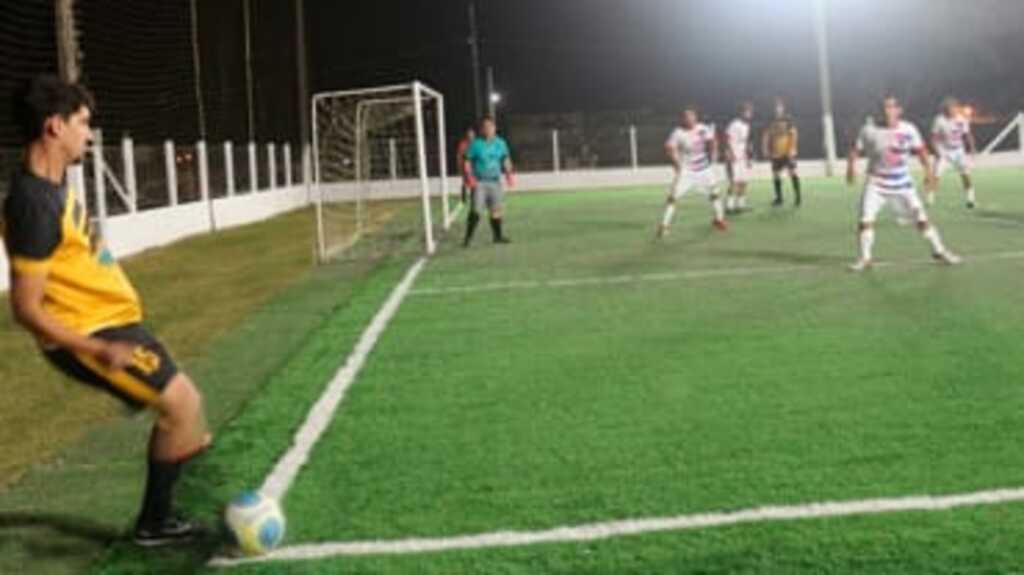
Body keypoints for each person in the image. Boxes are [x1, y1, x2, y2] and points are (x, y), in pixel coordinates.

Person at [4, 75, 211, 546]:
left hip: (117, 325)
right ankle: (155, 525)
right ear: (54, 126)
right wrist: (97, 348)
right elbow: (26, 309)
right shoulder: (33, 203)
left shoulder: (52, 185)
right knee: (184, 408)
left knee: (191, 425)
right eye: (82, 123)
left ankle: (166, 489)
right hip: (94, 333)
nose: (89, 134)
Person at [846, 95, 961, 272]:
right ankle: (865, 258)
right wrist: (851, 168)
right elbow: (855, 149)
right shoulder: (869, 130)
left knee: (922, 221)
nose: (888, 111)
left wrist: (929, 173)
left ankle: (939, 251)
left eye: (892, 107)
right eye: (885, 107)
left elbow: (921, 150)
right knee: (865, 221)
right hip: (876, 183)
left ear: (899, 110)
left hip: (903, 184)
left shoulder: (909, 129)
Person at [656, 105, 727, 238]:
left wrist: (714, 153)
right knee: (673, 197)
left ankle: (719, 219)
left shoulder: (703, 128)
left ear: (696, 117)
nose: (688, 118)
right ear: (683, 119)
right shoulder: (678, 132)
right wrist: (676, 163)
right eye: (686, 116)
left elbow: (712, 141)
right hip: (687, 171)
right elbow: (669, 147)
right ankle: (664, 225)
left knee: (715, 193)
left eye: (691, 116)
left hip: (704, 169)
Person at [463, 116, 514, 246]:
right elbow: (467, 161)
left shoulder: (501, 143)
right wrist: (469, 177)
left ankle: (497, 237)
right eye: (485, 127)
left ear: (494, 128)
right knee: (476, 211)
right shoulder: (475, 144)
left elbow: (505, 159)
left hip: (495, 181)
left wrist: (509, 174)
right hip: (479, 182)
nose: (488, 129)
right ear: (481, 130)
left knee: (496, 210)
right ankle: (468, 238)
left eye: (490, 127)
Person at [927, 97, 978, 208]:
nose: (953, 110)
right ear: (945, 109)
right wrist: (937, 151)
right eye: (950, 108)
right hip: (944, 150)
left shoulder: (961, 119)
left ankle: (970, 198)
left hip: (959, 150)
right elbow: (933, 137)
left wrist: (972, 148)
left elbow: (967, 134)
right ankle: (930, 198)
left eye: (954, 108)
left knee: (965, 174)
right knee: (936, 174)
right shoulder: (939, 120)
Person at [762, 98, 802, 207]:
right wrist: (765, 148)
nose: (778, 109)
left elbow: (794, 133)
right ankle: (779, 198)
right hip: (776, 153)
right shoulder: (770, 120)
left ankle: (798, 197)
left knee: (793, 172)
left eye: (779, 107)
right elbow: (766, 135)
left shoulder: (788, 119)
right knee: (776, 175)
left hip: (788, 152)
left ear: (783, 108)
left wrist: (792, 149)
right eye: (776, 107)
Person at [724, 102, 755, 214]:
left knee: (744, 181)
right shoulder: (734, 124)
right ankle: (729, 206)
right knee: (734, 181)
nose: (749, 114)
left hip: (743, 158)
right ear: (742, 112)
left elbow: (746, 142)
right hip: (734, 158)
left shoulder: (747, 126)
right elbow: (727, 139)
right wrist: (731, 154)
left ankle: (740, 205)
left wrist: (748, 156)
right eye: (747, 111)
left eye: (750, 112)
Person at [455, 126, 475, 205]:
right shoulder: (463, 144)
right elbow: (459, 155)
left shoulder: (476, 143)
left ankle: (473, 197)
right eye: (469, 134)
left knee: (474, 182)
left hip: (474, 166)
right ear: (466, 135)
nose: (470, 135)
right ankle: (464, 198)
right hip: (465, 165)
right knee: (465, 182)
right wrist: (459, 165)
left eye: (472, 134)